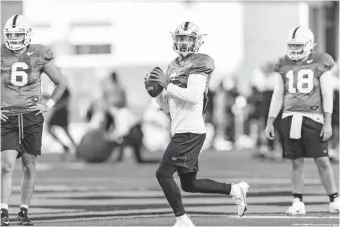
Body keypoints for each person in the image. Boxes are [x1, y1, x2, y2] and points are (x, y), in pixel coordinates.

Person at [147, 21, 249, 227]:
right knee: (189, 184)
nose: (183, 42)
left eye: (188, 39)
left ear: (197, 41)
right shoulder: (173, 65)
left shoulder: (200, 63)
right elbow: (168, 108)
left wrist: (168, 84)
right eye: (181, 38)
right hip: (181, 130)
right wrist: (157, 94)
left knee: (163, 174)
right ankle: (234, 190)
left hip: (190, 131)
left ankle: (182, 220)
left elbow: (194, 96)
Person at [265, 26, 340, 215]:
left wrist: (328, 121)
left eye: (299, 45)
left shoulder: (321, 62)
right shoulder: (283, 63)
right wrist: (270, 121)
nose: (295, 49)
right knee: (296, 161)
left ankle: (334, 199)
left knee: (322, 160)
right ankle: (297, 200)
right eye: (292, 45)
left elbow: (327, 94)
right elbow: (278, 95)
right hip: (290, 117)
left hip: (313, 117)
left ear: (309, 45)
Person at [1, 15, 67, 226]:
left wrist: (48, 105)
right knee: (6, 166)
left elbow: (61, 83)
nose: (15, 38)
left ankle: (23, 212)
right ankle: (3, 212)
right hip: (7, 115)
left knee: (29, 166)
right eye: (11, 35)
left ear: (27, 34)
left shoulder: (39, 53)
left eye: (19, 34)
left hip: (31, 116)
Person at [46, 87, 76, 161]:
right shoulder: (56, 87)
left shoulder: (64, 87)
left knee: (66, 132)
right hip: (57, 111)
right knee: (49, 129)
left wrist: (58, 105)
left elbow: (66, 99)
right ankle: (65, 146)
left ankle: (76, 148)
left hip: (62, 112)